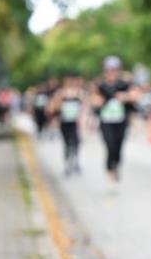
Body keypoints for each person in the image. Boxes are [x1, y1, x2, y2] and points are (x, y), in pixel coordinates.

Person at [90, 56, 139, 184]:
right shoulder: (100, 85)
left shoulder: (123, 84)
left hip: (121, 121)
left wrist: (125, 96)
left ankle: (116, 165)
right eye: (109, 70)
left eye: (114, 70)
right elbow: (93, 99)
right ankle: (109, 168)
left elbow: (135, 95)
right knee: (110, 144)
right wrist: (100, 101)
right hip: (106, 122)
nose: (112, 72)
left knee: (118, 146)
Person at [47, 72, 86, 176]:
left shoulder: (79, 93)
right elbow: (51, 108)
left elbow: (84, 107)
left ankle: (76, 161)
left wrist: (83, 119)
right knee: (67, 143)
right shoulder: (60, 94)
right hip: (64, 121)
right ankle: (67, 164)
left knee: (76, 142)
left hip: (75, 122)